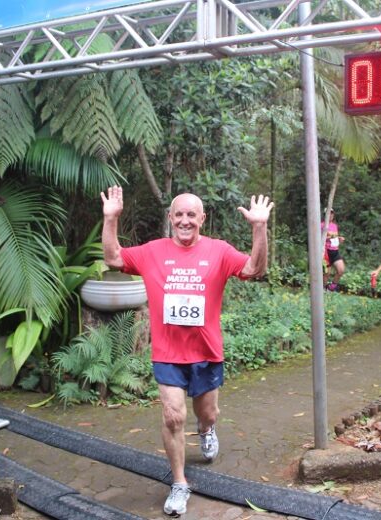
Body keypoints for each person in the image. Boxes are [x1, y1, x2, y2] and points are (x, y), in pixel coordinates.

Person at [100, 185, 273, 516]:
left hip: (206, 353)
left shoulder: (219, 251)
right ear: (170, 218)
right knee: (173, 415)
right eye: (178, 214)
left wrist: (259, 227)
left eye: (191, 214)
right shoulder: (153, 251)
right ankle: (179, 483)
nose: (184, 220)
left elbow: (254, 269)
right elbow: (112, 257)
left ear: (202, 219)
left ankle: (206, 430)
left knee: (207, 413)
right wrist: (111, 219)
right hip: (167, 354)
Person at [321, 208, 345, 291]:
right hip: (326, 252)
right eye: (328, 213)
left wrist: (339, 239)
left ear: (333, 215)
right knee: (326, 273)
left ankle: (331, 288)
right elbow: (319, 238)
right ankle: (323, 290)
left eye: (331, 213)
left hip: (335, 251)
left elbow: (334, 238)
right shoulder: (321, 225)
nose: (330, 215)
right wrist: (331, 237)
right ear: (325, 215)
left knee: (341, 270)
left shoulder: (334, 226)